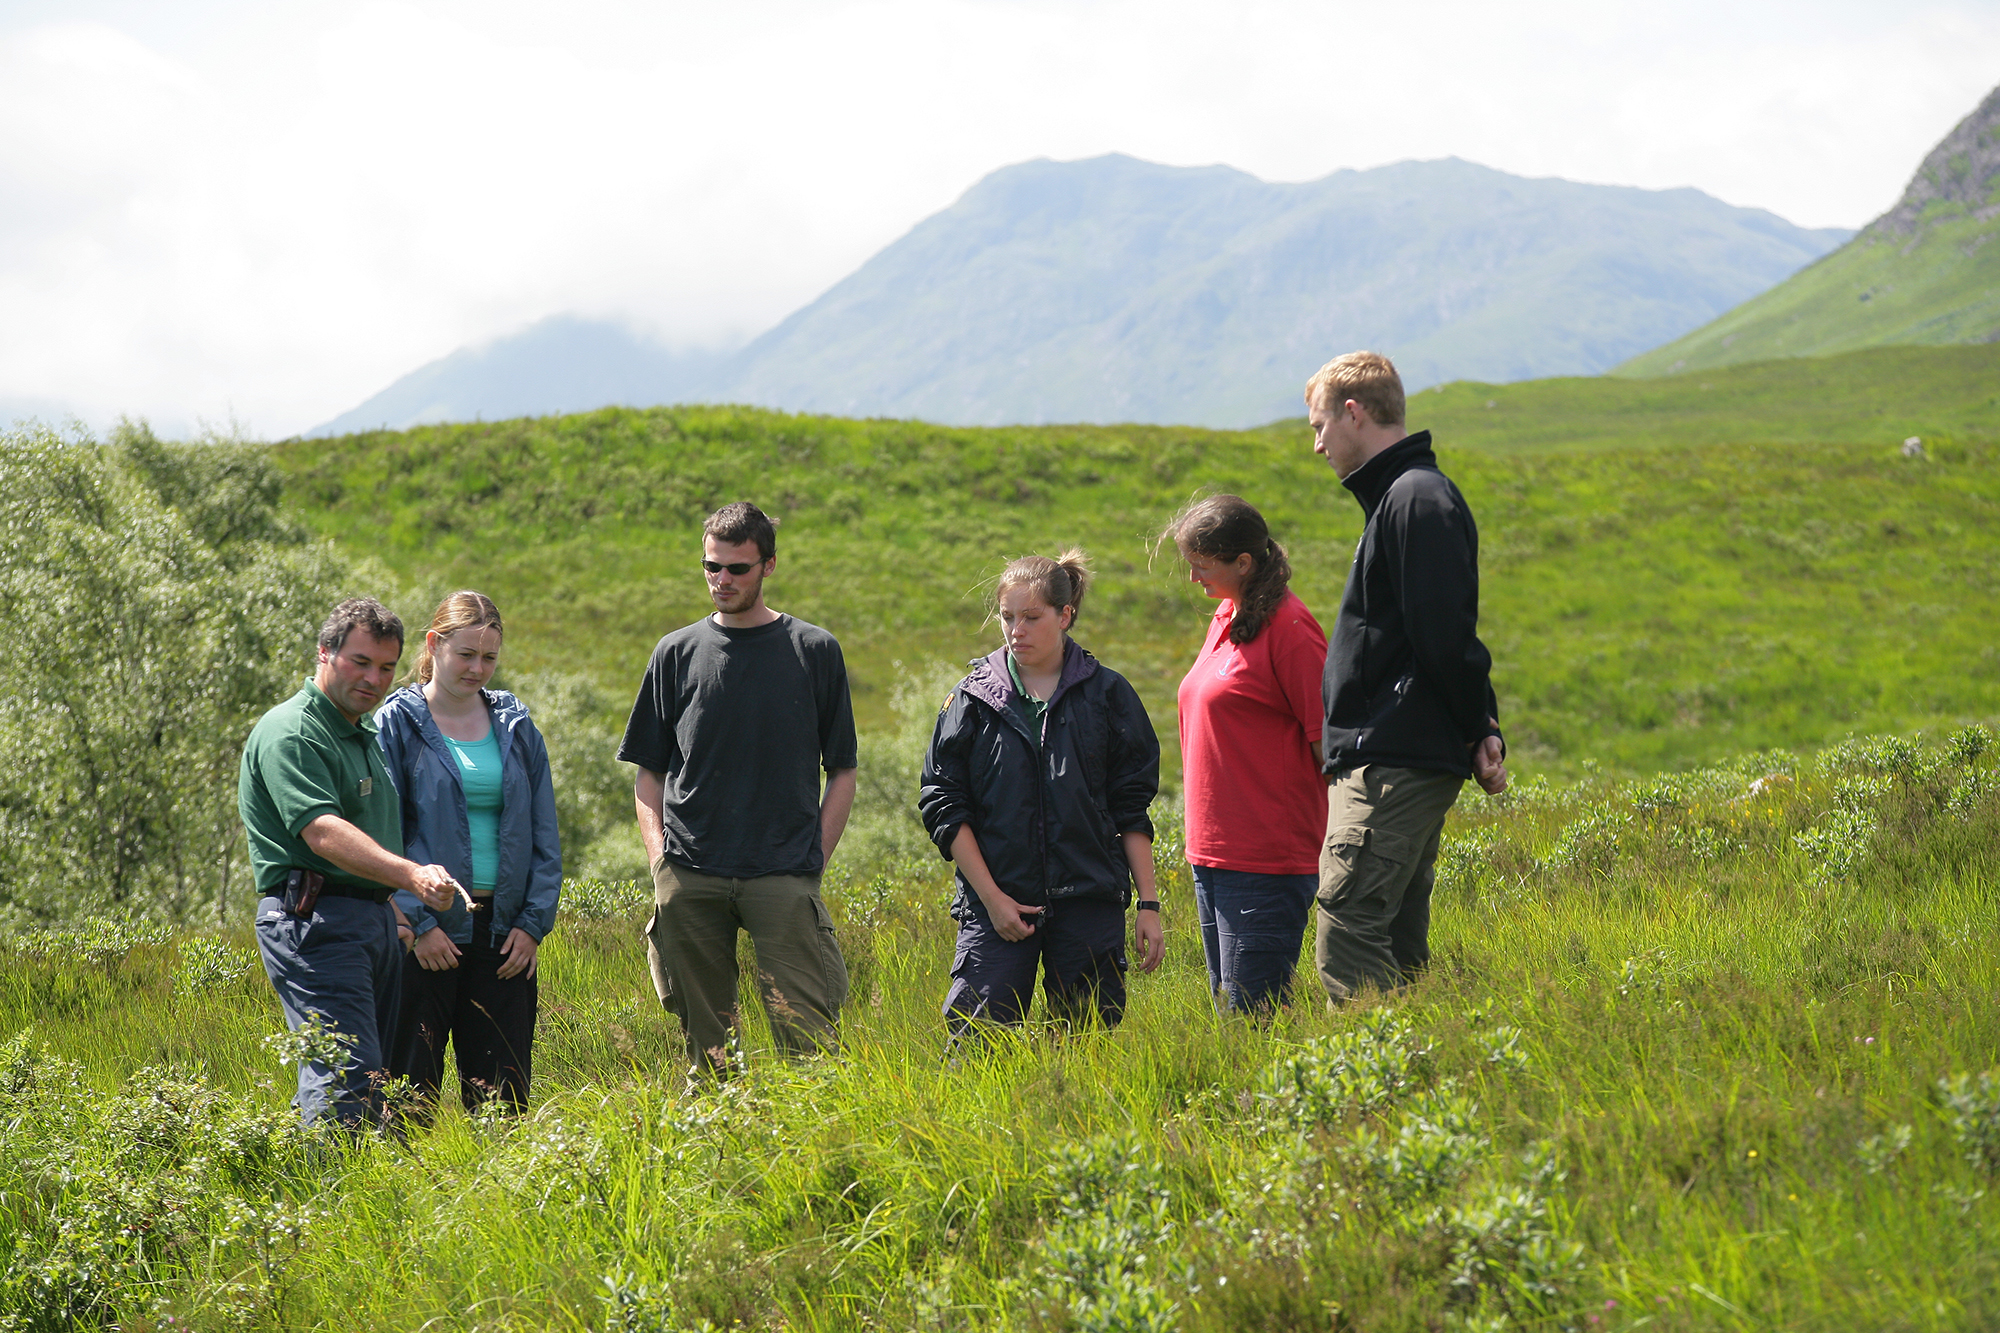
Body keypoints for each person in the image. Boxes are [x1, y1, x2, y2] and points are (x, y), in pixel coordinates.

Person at [618, 502, 859, 1074]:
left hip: (783, 872)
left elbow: (843, 770)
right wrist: (659, 862)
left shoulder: (814, 649)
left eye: (737, 568)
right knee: (709, 1051)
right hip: (690, 871)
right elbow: (648, 772)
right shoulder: (674, 651)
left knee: (808, 1042)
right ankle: (718, 1126)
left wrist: (814, 862)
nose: (721, 579)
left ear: (768, 566)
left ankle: (812, 1130)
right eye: (711, 566)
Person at [1306, 352, 1509, 1006]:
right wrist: (1478, 723)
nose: (1318, 446)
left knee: (1349, 926)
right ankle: (1425, 1056)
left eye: (1320, 426)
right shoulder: (1405, 497)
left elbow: (1444, 635)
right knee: (1393, 938)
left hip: (1391, 758)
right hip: (1394, 753)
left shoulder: (1415, 498)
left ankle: (1374, 1068)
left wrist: (1478, 724)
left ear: (1354, 413)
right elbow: (1441, 631)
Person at [919, 550, 1164, 1045]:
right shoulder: (970, 699)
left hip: (1089, 903)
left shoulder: (1109, 695)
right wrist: (993, 901)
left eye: (1032, 617)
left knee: (1087, 1048)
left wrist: (1149, 903)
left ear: (1065, 615)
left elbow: (1130, 808)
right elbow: (942, 804)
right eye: (1007, 617)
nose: (1017, 631)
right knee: (977, 1049)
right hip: (996, 908)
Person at [240, 597, 460, 1127]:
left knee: (367, 1078)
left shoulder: (361, 731)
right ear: (324, 652)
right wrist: (410, 876)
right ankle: (327, 1180)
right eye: (360, 662)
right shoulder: (293, 731)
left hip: (369, 920)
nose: (374, 679)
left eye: (386, 667)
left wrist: (394, 914)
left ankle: (302, 1170)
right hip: (316, 921)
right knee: (345, 1077)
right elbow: (321, 832)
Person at [376, 591, 561, 1115]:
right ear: (434, 644)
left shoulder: (517, 727)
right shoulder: (395, 724)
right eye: (466, 654)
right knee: (407, 1099)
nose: (477, 668)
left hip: (505, 937)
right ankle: (403, 1171)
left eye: (489, 657)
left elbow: (544, 836)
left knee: (502, 1102)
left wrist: (531, 926)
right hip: (422, 935)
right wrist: (418, 923)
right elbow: (380, 834)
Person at [1165, 495, 1328, 1014]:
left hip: (1266, 859)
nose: (1194, 577)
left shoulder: (1292, 629)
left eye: (1202, 565)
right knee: (1229, 1011)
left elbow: (1330, 746)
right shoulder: (1226, 614)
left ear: (1242, 563)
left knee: (1253, 1016)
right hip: (1212, 854)